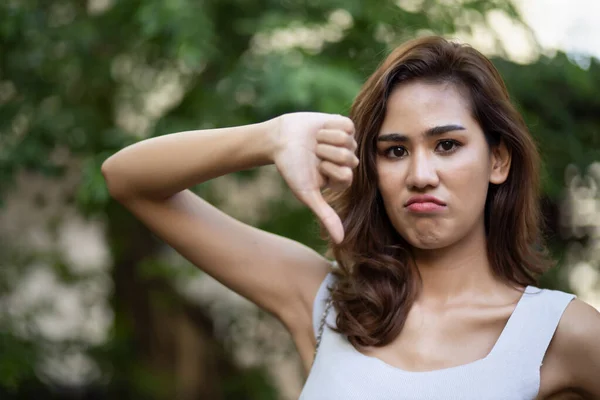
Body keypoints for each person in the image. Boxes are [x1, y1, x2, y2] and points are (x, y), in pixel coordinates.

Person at [101, 36, 600, 399]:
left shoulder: (560, 333)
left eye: (447, 145)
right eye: (395, 150)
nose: (421, 174)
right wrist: (270, 138)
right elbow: (127, 179)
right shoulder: (329, 305)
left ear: (498, 160)